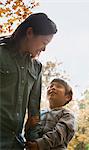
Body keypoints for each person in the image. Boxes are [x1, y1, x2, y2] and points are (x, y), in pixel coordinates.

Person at [0, 13, 57, 150]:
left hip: (16, 143)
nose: (44, 49)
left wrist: (35, 143)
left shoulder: (37, 68)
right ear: (30, 32)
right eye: (44, 43)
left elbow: (34, 112)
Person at [25, 78, 75, 150]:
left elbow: (59, 134)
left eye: (58, 86)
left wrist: (39, 144)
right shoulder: (39, 113)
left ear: (67, 97)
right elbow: (30, 136)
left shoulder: (67, 115)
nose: (53, 88)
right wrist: (27, 128)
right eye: (51, 86)